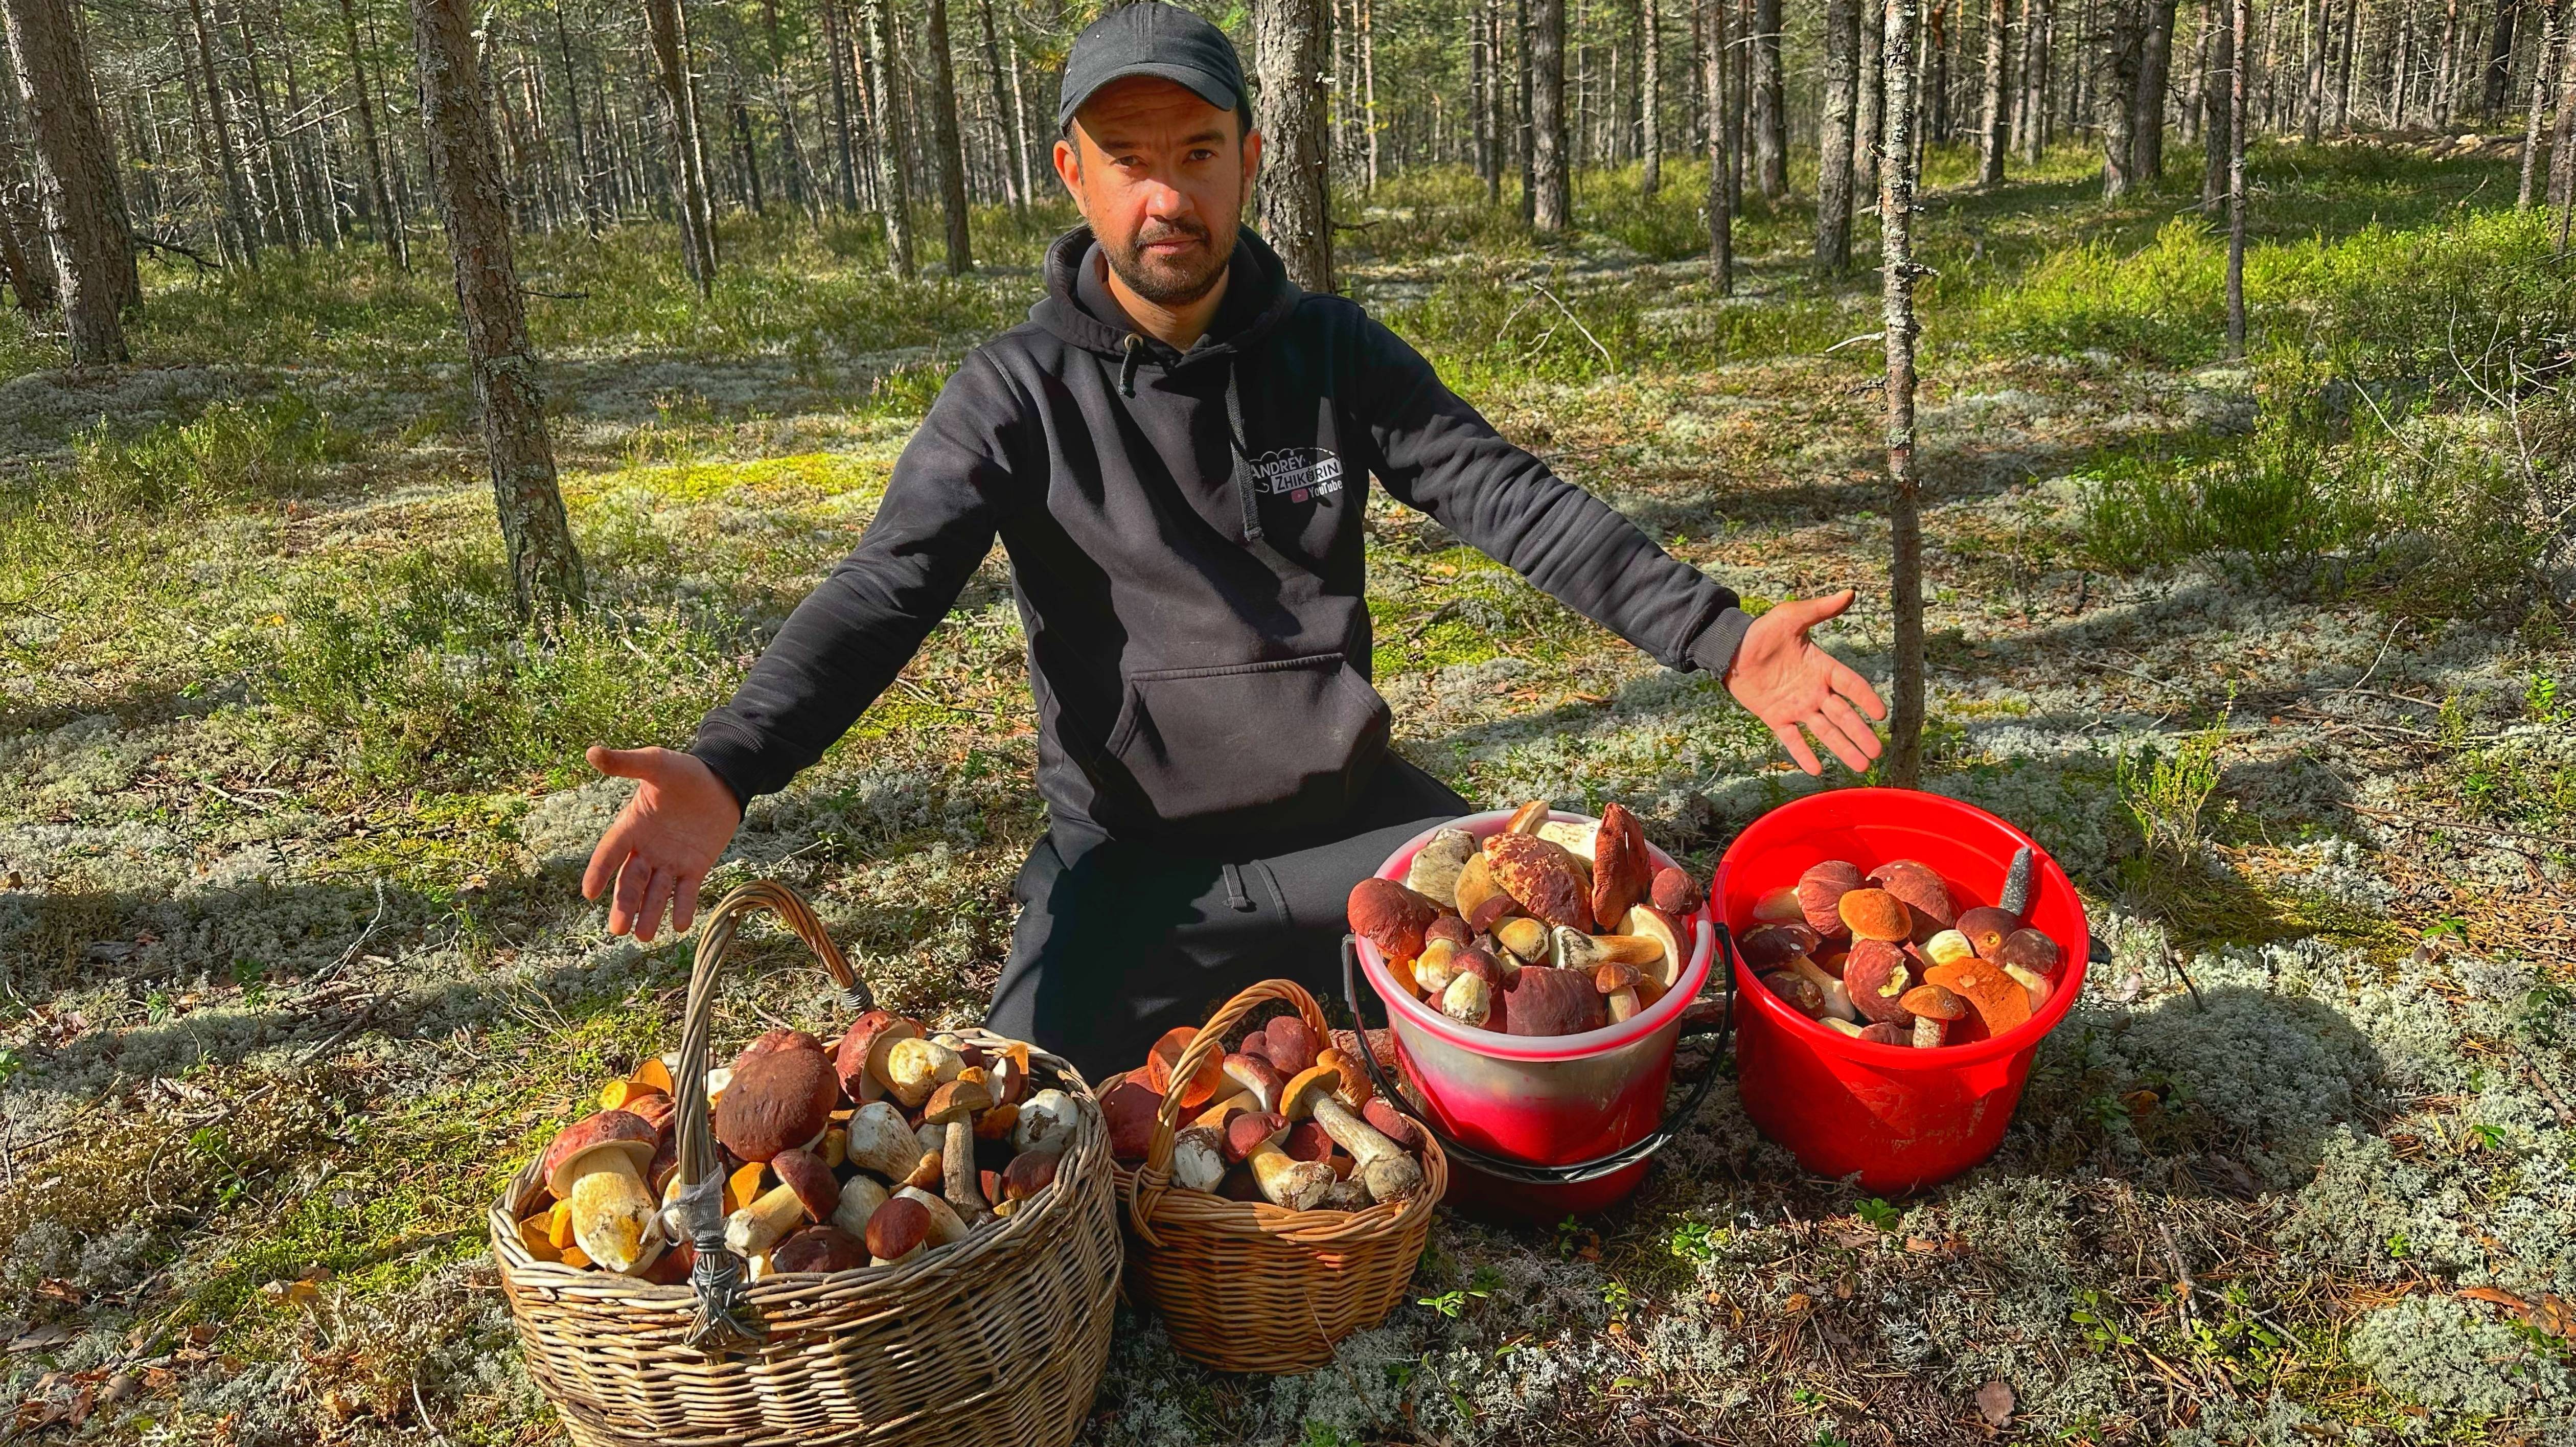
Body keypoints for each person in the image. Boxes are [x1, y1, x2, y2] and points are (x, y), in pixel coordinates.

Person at [581, 3, 1885, 1079]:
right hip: (1138, 869)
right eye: (1129, 159)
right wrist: (733, 764)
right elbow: (888, 586)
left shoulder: (1333, 353)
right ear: (1073, 173)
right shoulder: (1016, 393)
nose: (1168, 195)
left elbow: (1511, 498)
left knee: (1560, 1016)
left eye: (1199, 152)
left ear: (1250, 161)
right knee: (1034, 1119)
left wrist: (1721, 639)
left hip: (1352, 832)